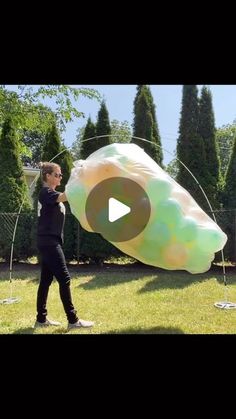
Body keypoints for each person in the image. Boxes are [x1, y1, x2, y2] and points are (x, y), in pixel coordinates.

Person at [34, 162, 94, 330]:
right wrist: (81, 180)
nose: (60, 177)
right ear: (47, 176)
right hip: (49, 242)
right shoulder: (45, 192)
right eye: (57, 174)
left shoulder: (52, 193)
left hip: (48, 242)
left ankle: (41, 319)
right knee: (65, 279)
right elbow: (65, 197)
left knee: (45, 281)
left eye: (61, 175)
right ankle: (73, 320)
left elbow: (68, 197)